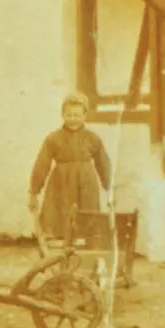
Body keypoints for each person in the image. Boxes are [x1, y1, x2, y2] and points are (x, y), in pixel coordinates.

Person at [29, 93, 113, 243]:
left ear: (85, 116)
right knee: (59, 220)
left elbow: (103, 163)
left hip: (86, 184)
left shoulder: (92, 138)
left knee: (87, 220)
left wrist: (109, 187)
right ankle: (61, 251)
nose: (73, 119)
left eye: (77, 115)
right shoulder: (53, 138)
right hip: (61, 184)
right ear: (62, 115)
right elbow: (42, 164)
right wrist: (34, 191)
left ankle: (84, 251)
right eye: (69, 115)